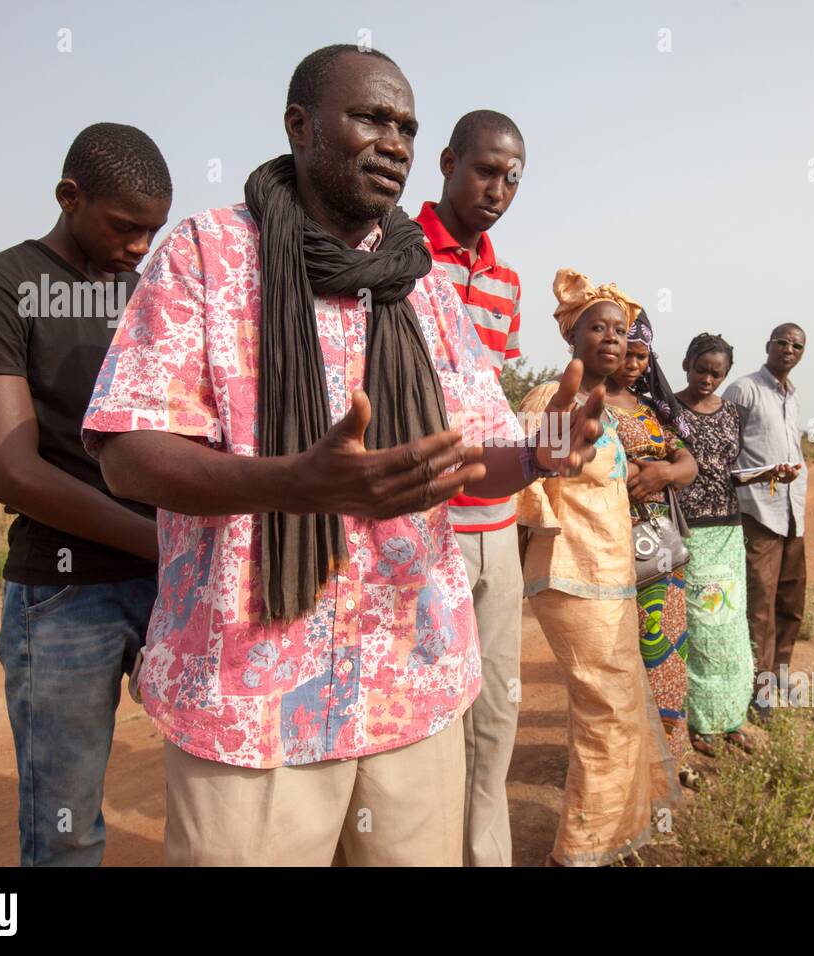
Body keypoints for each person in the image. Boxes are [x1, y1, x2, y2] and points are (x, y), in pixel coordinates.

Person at [81, 45, 605, 866]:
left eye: (407, 126)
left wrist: (544, 449)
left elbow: (477, 454)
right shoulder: (206, 255)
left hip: (411, 685)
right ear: (300, 126)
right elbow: (127, 451)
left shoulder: (423, 285)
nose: (394, 142)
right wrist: (289, 482)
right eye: (370, 118)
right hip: (252, 696)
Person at [0, 123, 172, 866]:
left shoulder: (147, 299)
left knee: (219, 792)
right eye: (124, 226)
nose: (141, 246)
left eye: (153, 231)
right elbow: (13, 472)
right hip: (64, 596)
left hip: (170, 585)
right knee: (68, 830)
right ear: (69, 197)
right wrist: (159, 541)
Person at [516, 268, 680, 866]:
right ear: (570, 336)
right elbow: (530, 486)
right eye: (598, 327)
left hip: (611, 576)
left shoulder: (609, 411)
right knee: (607, 712)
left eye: (621, 329)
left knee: (617, 705)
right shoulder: (550, 399)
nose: (612, 338)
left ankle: (609, 837)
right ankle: (579, 853)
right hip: (572, 575)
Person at [414, 109, 526, 866]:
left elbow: (492, 392)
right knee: (425, 713)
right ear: (448, 161)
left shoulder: (506, 282)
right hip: (421, 525)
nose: (498, 188)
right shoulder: (395, 252)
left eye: (513, 177)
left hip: (498, 522)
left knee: (496, 713)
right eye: (485, 169)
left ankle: (484, 856)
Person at [673, 333, 790, 752]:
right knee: (703, 627)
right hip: (689, 529)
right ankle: (701, 721)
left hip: (729, 526)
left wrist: (767, 473)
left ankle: (732, 716)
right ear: (686, 363)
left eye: (716, 373)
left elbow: (727, 472)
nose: (707, 379)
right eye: (701, 369)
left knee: (733, 626)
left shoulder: (730, 413)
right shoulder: (669, 410)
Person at [604, 311, 698, 786]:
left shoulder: (649, 408)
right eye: (628, 353)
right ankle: (619, 770)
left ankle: (671, 759)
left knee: (666, 652)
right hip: (604, 550)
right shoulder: (582, 404)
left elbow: (687, 462)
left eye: (642, 355)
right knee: (614, 662)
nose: (635, 364)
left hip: (660, 550)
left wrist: (664, 472)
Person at [724, 324, 806, 717]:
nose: (789, 349)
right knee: (760, 603)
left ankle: (778, 676)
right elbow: (724, 447)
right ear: (768, 346)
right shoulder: (744, 389)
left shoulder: (792, 396)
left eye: (797, 345)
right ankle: (757, 688)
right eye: (782, 342)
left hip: (793, 513)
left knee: (790, 602)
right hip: (757, 510)